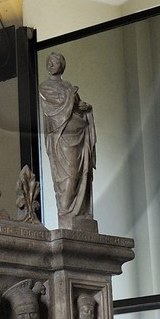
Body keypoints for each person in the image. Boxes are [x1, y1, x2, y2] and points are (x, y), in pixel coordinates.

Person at [39, 52, 96, 226]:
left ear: (62, 65)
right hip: (61, 138)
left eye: (55, 62)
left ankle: (80, 215)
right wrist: (71, 97)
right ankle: (66, 213)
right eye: (49, 62)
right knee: (68, 176)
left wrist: (83, 107)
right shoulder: (45, 87)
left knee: (79, 175)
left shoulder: (68, 85)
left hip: (76, 134)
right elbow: (54, 110)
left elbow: (75, 108)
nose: (51, 64)